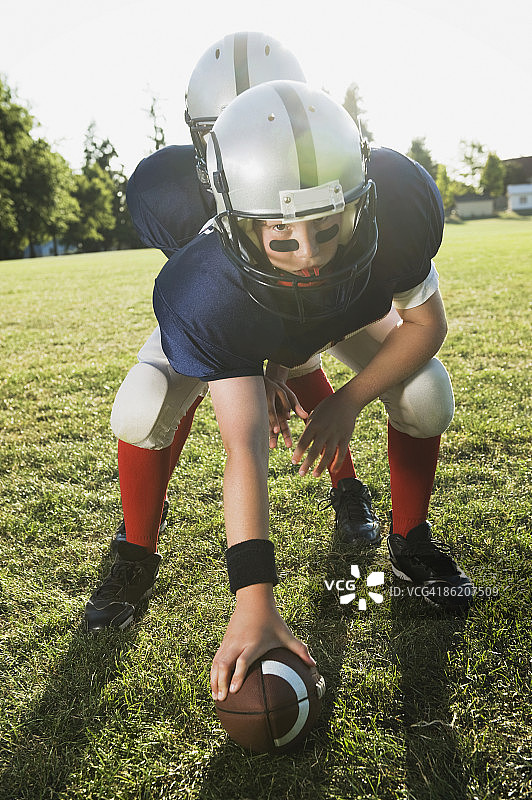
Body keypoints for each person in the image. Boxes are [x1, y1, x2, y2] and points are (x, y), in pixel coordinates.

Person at [116, 80, 474, 701]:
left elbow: (427, 324)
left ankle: (410, 543)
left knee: (425, 395)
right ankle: (134, 551)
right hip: (248, 318)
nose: (308, 256)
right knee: (143, 405)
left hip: (343, 317)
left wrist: (348, 398)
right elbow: (245, 447)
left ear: (360, 199)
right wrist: (253, 600)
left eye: (328, 227)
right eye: (281, 236)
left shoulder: (397, 205)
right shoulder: (207, 281)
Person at [84, 36, 380, 633]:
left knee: (351, 373)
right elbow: (219, 320)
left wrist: (277, 366)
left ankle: (351, 490)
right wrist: (256, 368)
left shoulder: (334, 185)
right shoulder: (167, 190)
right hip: (222, 306)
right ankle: (137, 546)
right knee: (143, 407)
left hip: (312, 300)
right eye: (231, 129)